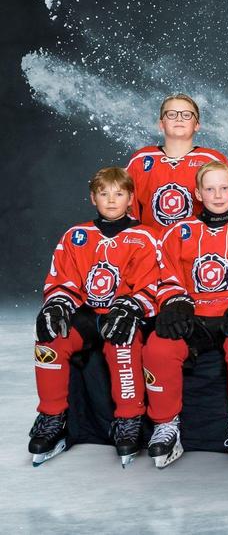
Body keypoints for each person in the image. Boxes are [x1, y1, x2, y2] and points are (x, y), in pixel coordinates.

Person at [143, 161, 228, 468]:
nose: (218, 195)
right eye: (210, 189)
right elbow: (165, 275)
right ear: (198, 194)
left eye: (224, 188)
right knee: (157, 348)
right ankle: (166, 426)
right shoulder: (179, 232)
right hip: (195, 316)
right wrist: (174, 301)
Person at [29, 167, 158, 467]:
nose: (111, 200)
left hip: (123, 315)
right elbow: (62, 280)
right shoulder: (76, 236)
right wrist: (57, 304)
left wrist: (131, 306)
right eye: (104, 194)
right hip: (86, 315)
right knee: (50, 338)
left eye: (119, 194)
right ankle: (52, 417)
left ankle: (129, 420)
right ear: (92, 198)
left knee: (122, 340)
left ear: (131, 199)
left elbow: (151, 284)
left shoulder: (146, 237)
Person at [125, 93, 228, 234]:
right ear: (161, 124)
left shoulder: (212, 160)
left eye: (186, 115)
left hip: (198, 245)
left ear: (197, 125)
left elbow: (226, 213)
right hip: (152, 245)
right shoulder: (141, 160)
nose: (179, 118)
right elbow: (127, 211)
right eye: (171, 114)